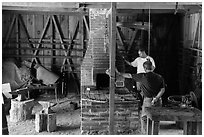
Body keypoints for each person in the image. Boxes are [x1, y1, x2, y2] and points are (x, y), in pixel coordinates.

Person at [116, 60, 165, 134]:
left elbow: (129, 75)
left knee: (144, 118)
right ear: (152, 67)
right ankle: (155, 134)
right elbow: (162, 89)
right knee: (156, 119)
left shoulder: (142, 76)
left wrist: (118, 73)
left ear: (144, 69)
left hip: (148, 100)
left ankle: (145, 134)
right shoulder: (159, 77)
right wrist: (156, 98)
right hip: (158, 100)